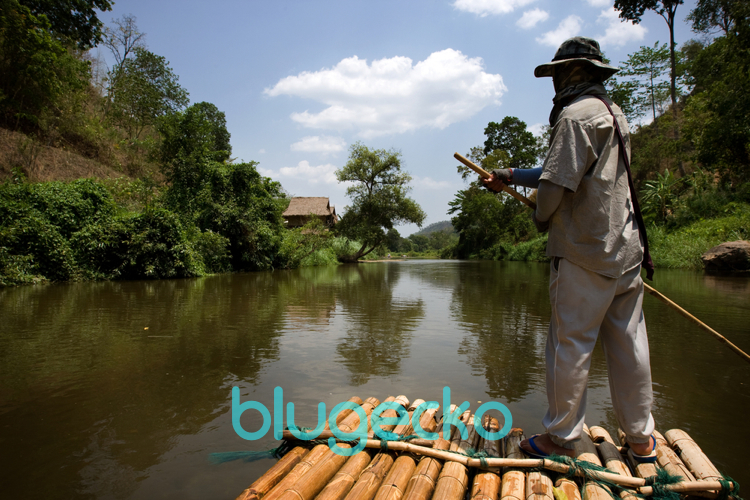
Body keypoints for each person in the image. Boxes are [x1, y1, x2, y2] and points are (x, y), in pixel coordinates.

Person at [483, 37, 657, 462]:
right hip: (625, 251)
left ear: (570, 74)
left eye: (559, 73)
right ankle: (641, 439)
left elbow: (553, 189)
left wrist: (540, 217)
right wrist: (509, 174)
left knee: (570, 344)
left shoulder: (574, 117)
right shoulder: (613, 114)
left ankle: (561, 437)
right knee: (630, 344)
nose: (556, 81)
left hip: (584, 252)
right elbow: (562, 169)